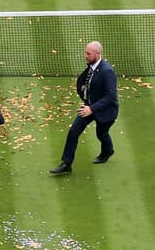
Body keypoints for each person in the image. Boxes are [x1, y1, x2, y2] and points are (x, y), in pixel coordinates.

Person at [49, 41, 119, 175]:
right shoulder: (91, 68)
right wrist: (86, 101)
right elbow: (83, 84)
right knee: (74, 131)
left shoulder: (107, 71)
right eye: (85, 53)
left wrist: (92, 109)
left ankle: (108, 151)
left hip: (105, 111)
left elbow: (111, 96)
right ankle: (66, 164)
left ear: (98, 54)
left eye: (88, 53)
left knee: (101, 134)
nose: (85, 56)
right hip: (89, 107)